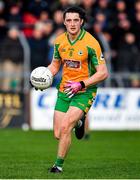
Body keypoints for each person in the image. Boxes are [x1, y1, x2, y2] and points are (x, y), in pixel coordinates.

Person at [46, 6, 109, 173]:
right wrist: (42, 77)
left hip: (84, 91)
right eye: (69, 20)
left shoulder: (91, 43)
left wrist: (81, 84)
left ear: (81, 21)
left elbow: (103, 73)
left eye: (76, 20)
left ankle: (57, 166)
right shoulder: (59, 41)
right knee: (58, 134)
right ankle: (80, 122)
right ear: (64, 22)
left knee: (66, 126)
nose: (72, 24)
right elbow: (55, 65)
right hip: (64, 90)